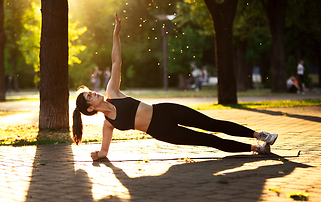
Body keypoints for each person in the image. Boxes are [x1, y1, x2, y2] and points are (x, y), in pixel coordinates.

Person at [72, 13, 278, 161]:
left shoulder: (113, 92)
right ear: (90, 109)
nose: (94, 93)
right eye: (90, 96)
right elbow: (106, 151)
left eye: (90, 92)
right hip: (164, 132)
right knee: (208, 140)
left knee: (214, 124)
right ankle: (256, 148)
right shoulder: (108, 124)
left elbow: (116, 62)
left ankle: (261, 135)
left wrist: (115, 35)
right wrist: (99, 155)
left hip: (166, 111)